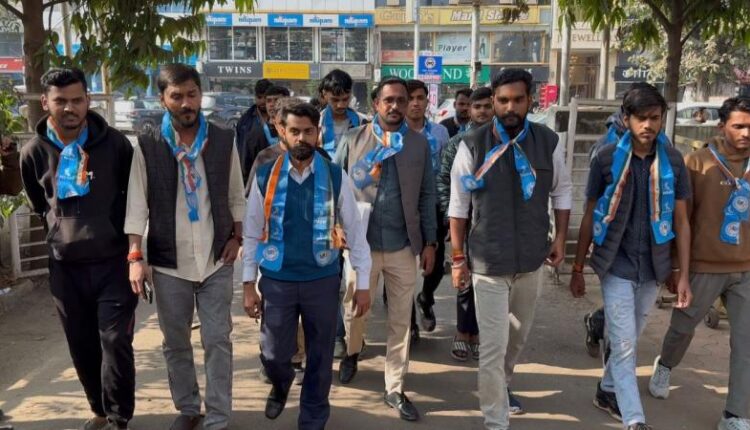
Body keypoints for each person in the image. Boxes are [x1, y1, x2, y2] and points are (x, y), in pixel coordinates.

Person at [449, 68, 572, 429]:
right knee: (493, 345)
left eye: (518, 100)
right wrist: (458, 258)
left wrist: (560, 239)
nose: (510, 107)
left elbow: (562, 191)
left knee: (516, 338)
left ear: (530, 100)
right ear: (494, 101)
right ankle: (496, 419)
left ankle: (501, 385)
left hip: (532, 260)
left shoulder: (549, 142)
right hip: (488, 261)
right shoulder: (472, 144)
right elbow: (458, 206)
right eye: (503, 100)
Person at [125, 64, 245, 430]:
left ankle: (219, 417)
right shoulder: (148, 145)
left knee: (217, 339)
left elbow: (236, 194)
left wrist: (237, 238)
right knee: (175, 341)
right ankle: (189, 408)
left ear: (200, 95)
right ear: (163, 99)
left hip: (215, 258)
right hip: (168, 262)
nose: (186, 103)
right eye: (176, 96)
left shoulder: (222, 139)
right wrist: (135, 256)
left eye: (192, 94)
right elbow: (137, 204)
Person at [569, 82, 693, 430]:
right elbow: (590, 212)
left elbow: (681, 221)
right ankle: (635, 419)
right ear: (626, 118)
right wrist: (577, 267)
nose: (648, 125)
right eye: (641, 118)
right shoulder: (607, 157)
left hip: (653, 265)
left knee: (632, 334)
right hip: (616, 265)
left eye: (655, 118)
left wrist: (681, 272)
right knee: (624, 342)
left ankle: (607, 389)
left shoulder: (673, 161)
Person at [242, 101, 372, 430]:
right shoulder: (264, 175)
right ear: (281, 132)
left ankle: (313, 416)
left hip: (322, 279)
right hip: (277, 279)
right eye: (294, 131)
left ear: (318, 133)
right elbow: (251, 231)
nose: (301, 138)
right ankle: (281, 382)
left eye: (308, 131)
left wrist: (363, 283)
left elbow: (356, 232)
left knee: (320, 354)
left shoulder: (335, 175)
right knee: (273, 352)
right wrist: (247, 284)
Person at [19, 67, 136, 430]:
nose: (69, 108)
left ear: (88, 100)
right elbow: (39, 202)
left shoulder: (116, 145)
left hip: (113, 263)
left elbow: (133, 199)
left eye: (77, 100)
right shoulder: (33, 151)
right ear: (45, 103)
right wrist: (60, 232)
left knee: (115, 341)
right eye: (61, 101)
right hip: (65, 266)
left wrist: (135, 253)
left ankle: (119, 416)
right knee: (81, 344)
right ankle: (98, 409)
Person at [335, 76, 437, 422]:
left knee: (400, 319)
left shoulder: (419, 144)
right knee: (355, 309)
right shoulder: (353, 139)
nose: (395, 106)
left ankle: (394, 386)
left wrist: (430, 242)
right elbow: (333, 185)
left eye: (401, 100)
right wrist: (336, 227)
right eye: (388, 100)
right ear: (376, 104)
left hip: (403, 246)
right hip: (360, 245)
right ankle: (352, 352)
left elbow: (427, 194)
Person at [648, 96, 750, 430]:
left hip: (747, 268)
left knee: (746, 344)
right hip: (704, 266)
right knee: (682, 328)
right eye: (739, 126)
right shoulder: (697, 163)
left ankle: (735, 413)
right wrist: (677, 268)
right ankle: (665, 365)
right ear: (721, 127)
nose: (746, 133)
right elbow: (681, 219)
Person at [436, 86, 493, 362]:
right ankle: (462, 331)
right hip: (465, 222)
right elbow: (443, 180)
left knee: (489, 281)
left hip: (494, 222)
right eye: (476, 106)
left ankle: (480, 332)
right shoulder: (458, 142)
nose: (482, 111)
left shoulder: (504, 142)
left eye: (487, 106)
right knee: (464, 276)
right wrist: (451, 219)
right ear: (468, 110)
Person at [405, 79, 449, 341]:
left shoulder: (440, 133)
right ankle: (409, 323)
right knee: (402, 269)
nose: (415, 103)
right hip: (403, 208)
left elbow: (445, 172)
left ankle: (426, 297)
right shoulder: (394, 134)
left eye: (420, 98)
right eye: (410, 98)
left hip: (433, 207)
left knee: (436, 264)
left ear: (427, 101)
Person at [240, 85, 290, 184]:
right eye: (268, 101)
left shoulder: (298, 130)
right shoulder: (254, 132)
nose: (271, 104)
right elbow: (246, 166)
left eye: (276, 100)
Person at [318, 69, 368, 159]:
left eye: (345, 99)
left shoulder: (362, 122)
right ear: (325, 95)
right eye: (335, 100)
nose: (341, 105)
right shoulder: (317, 122)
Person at [236, 78, 273, 154]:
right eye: (259, 97)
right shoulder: (245, 121)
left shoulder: (281, 118)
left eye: (266, 98)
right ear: (255, 97)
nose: (262, 101)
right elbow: (241, 150)